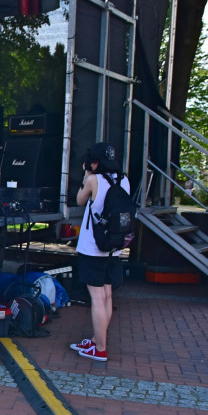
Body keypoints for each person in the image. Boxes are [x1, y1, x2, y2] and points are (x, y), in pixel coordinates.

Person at [71, 142, 130, 362]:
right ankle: (97, 339)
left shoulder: (93, 180)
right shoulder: (124, 180)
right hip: (114, 246)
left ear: (94, 162)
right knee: (107, 295)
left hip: (92, 246)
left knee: (96, 297)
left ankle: (101, 347)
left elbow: (80, 200)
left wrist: (86, 175)